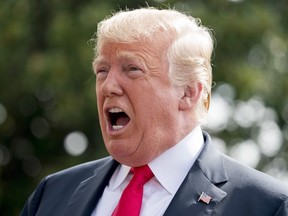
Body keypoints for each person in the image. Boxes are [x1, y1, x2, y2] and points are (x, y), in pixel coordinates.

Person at [21, 7, 288, 216]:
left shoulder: (267, 206)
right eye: (102, 71)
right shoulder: (52, 194)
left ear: (188, 92)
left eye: (132, 69)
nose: (108, 86)